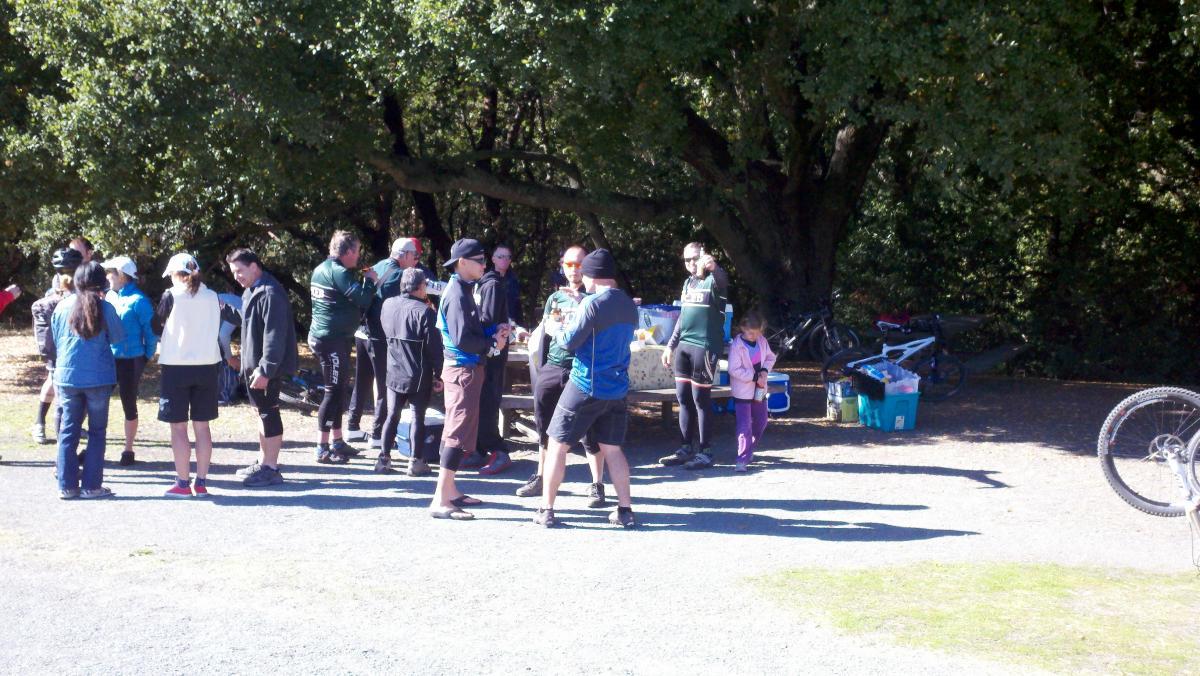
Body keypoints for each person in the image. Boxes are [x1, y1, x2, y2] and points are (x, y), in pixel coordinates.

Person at [535, 249, 638, 528]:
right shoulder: (629, 305)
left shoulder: (591, 304)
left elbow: (569, 342)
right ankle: (625, 511)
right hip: (616, 389)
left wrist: (555, 327)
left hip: (585, 384)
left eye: (585, 274)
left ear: (592, 276)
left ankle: (546, 509)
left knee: (557, 443)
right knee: (613, 449)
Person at [516, 245, 608, 507]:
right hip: (554, 365)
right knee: (544, 425)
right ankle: (542, 476)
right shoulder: (555, 298)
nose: (574, 270)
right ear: (562, 267)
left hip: (582, 367)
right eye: (569, 265)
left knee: (590, 428)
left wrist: (579, 301)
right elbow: (548, 332)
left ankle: (597, 484)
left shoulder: (596, 297)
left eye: (579, 264)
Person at [430, 238, 511, 520]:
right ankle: (441, 499)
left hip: (467, 370)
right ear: (462, 263)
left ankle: (451, 491)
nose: (484, 265)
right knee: (455, 434)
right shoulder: (456, 294)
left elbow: (470, 329)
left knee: (462, 432)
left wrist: (493, 329)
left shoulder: (464, 289)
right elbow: (464, 339)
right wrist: (492, 343)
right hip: (462, 370)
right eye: (479, 260)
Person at [47, 262, 124, 499]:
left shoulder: (62, 306)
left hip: (68, 377)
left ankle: (66, 486)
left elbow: (55, 338)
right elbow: (118, 337)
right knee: (97, 432)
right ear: (101, 282)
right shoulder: (105, 308)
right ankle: (92, 486)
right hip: (98, 377)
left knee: (68, 432)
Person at [227, 249, 299, 488]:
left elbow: (274, 335)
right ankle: (263, 460)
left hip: (266, 369)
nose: (237, 276)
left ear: (255, 266)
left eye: (240, 270)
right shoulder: (251, 291)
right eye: (233, 272)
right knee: (260, 412)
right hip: (252, 367)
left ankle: (272, 468)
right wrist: (219, 307)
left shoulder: (270, 292)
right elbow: (247, 319)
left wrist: (266, 370)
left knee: (269, 412)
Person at [155, 253, 223, 498]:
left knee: (179, 428)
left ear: (175, 274)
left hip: (176, 367)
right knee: (202, 427)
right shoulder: (213, 296)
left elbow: (156, 326)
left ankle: (182, 484)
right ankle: (202, 483)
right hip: (207, 366)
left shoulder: (171, 296)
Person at [308, 230, 378, 463]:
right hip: (331, 340)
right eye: (357, 251)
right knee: (333, 391)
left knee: (338, 390)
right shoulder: (339, 272)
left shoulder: (321, 268)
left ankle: (337, 441)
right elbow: (364, 300)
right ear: (347, 252)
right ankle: (322, 446)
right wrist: (370, 281)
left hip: (329, 337)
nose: (358, 257)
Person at [659, 242, 729, 470]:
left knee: (701, 399)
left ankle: (705, 451)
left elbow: (723, 280)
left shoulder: (714, 281)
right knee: (683, 399)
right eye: (686, 259)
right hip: (685, 347)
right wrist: (670, 345)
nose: (690, 263)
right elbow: (683, 315)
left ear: (704, 256)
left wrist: (713, 266)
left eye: (694, 258)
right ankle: (685, 448)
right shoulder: (688, 283)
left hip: (705, 346)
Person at [346, 237, 417, 448]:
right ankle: (378, 434)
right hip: (379, 336)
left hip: (361, 332)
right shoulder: (400, 274)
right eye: (414, 256)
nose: (415, 260)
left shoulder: (378, 266)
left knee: (362, 381)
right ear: (404, 255)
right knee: (386, 385)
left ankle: (352, 427)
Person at [377, 267, 443, 476]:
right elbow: (434, 347)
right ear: (421, 286)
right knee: (417, 417)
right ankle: (416, 461)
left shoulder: (387, 305)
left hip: (393, 369)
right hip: (418, 372)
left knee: (392, 415)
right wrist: (439, 373)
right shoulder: (425, 311)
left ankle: (383, 458)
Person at [101, 256, 157, 466]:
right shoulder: (108, 297)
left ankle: (128, 449)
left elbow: (151, 333)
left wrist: (145, 356)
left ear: (122, 276)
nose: (107, 277)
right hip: (108, 359)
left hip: (132, 360)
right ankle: (95, 448)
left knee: (128, 403)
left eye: (110, 272)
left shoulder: (139, 300)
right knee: (99, 402)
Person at [471, 245, 518, 475]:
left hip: (492, 350)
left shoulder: (491, 283)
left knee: (487, 399)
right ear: (491, 259)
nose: (505, 261)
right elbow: (488, 319)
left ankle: (493, 450)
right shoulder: (492, 285)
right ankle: (488, 449)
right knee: (487, 399)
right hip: (491, 351)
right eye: (500, 256)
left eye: (508, 257)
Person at [30, 248, 83, 445]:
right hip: (73, 357)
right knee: (69, 405)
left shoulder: (51, 295)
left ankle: (60, 448)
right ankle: (63, 452)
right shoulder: (79, 296)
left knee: (62, 401)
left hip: (56, 359)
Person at [727, 310, 776, 472]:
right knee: (744, 424)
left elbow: (770, 357)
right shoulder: (737, 345)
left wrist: (764, 371)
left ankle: (749, 448)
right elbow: (734, 370)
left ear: (761, 331)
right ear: (742, 328)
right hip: (743, 391)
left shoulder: (762, 341)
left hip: (760, 389)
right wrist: (754, 377)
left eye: (756, 333)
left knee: (762, 421)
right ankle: (742, 458)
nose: (752, 336)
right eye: (749, 332)